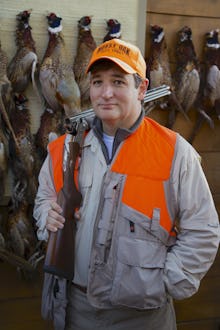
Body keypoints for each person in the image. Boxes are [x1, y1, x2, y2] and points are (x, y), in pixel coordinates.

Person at [33, 38, 220, 330]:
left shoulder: (174, 152)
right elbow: (44, 197)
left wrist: (164, 283)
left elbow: (204, 232)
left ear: (141, 88)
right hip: (74, 310)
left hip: (142, 318)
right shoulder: (64, 148)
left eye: (118, 82)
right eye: (97, 82)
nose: (106, 93)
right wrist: (48, 215)